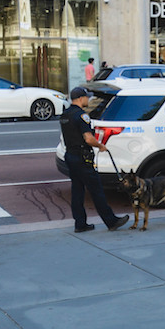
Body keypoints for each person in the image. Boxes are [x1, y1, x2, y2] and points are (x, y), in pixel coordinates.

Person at [61, 86, 130, 233]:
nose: (88, 99)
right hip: (82, 158)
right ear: (80, 98)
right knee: (96, 190)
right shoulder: (81, 116)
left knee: (77, 191)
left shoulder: (65, 114)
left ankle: (80, 224)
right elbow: (88, 138)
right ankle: (111, 221)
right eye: (86, 97)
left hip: (70, 156)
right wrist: (100, 146)